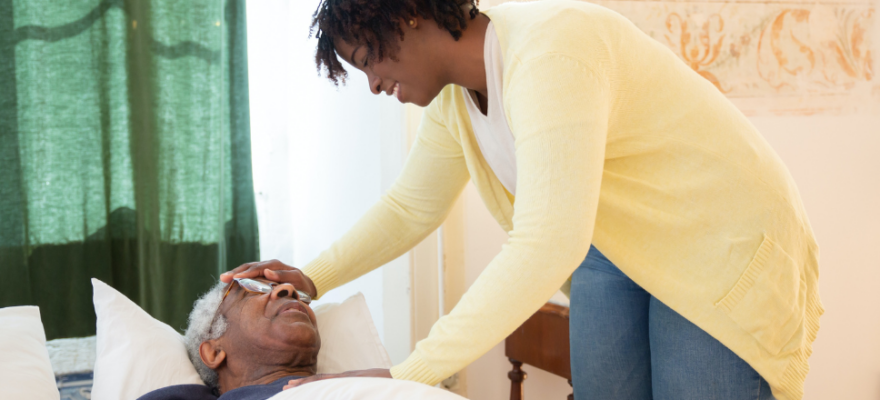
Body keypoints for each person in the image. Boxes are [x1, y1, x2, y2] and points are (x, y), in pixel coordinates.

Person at [224, 0, 822, 399]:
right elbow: (411, 207)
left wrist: (408, 378)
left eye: (367, 62)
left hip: (718, 239)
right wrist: (312, 276)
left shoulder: (552, 50)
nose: (375, 85)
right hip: (612, 249)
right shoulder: (457, 98)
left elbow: (545, 244)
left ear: (406, 15)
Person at [137, 278, 319, 400]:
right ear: (214, 352)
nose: (289, 289)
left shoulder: (344, 382)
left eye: (303, 296)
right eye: (255, 290)